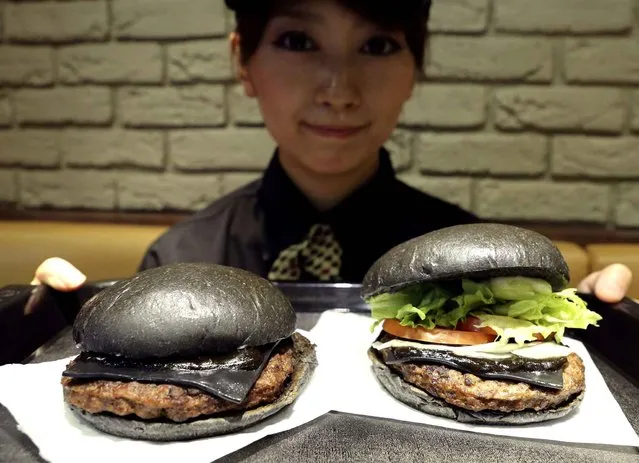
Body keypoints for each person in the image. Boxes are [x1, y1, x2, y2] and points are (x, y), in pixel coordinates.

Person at [31, 0, 632, 303]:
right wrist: (54, 328)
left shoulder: (477, 260)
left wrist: (588, 340)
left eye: (377, 45)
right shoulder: (181, 257)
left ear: (415, 69)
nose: (339, 91)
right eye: (298, 40)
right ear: (243, 60)